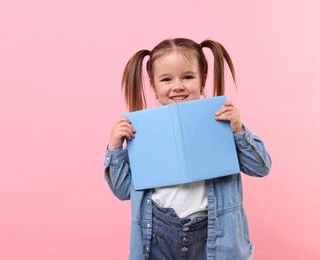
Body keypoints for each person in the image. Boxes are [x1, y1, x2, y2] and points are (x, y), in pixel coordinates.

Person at [103, 38, 272, 260]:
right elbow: (123, 191)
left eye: (187, 77)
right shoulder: (141, 129)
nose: (178, 86)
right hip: (158, 234)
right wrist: (115, 148)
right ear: (153, 85)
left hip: (213, 232)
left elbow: (261, 167)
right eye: (166, 79)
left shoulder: (220, 120)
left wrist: (239, 131)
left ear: (202, 80)